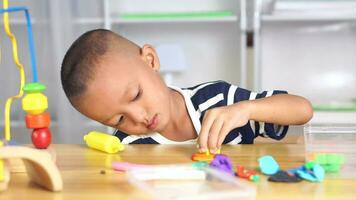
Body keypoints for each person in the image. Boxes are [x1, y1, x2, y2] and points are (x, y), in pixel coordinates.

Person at [60, 29, 313, 153]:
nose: (138, 118)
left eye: (136, 95)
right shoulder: (127, 145)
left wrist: (247, 109)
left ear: (150, 60)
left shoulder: (219, 100)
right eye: (119, 119)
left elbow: (302, 110)